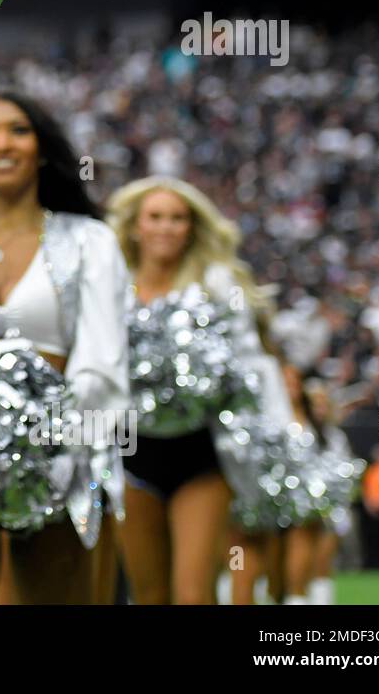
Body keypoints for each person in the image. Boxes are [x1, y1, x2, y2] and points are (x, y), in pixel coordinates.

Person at [0, 91, 130, 604]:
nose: (0, 144)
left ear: (41, 148)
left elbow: (101, 361)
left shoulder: (89, 240)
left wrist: (57, 447)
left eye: (17, 129)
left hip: (58, 459)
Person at [107, 175, 275, 604]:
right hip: (129, 454)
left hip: (201, 454)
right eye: (156, 217)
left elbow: (250, 362)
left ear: (192, 227)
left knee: (193, 593)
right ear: (134, 226)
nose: (166, 227)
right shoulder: (109, 285)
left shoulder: (217, 285)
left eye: (177, 218)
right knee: (148, 595)